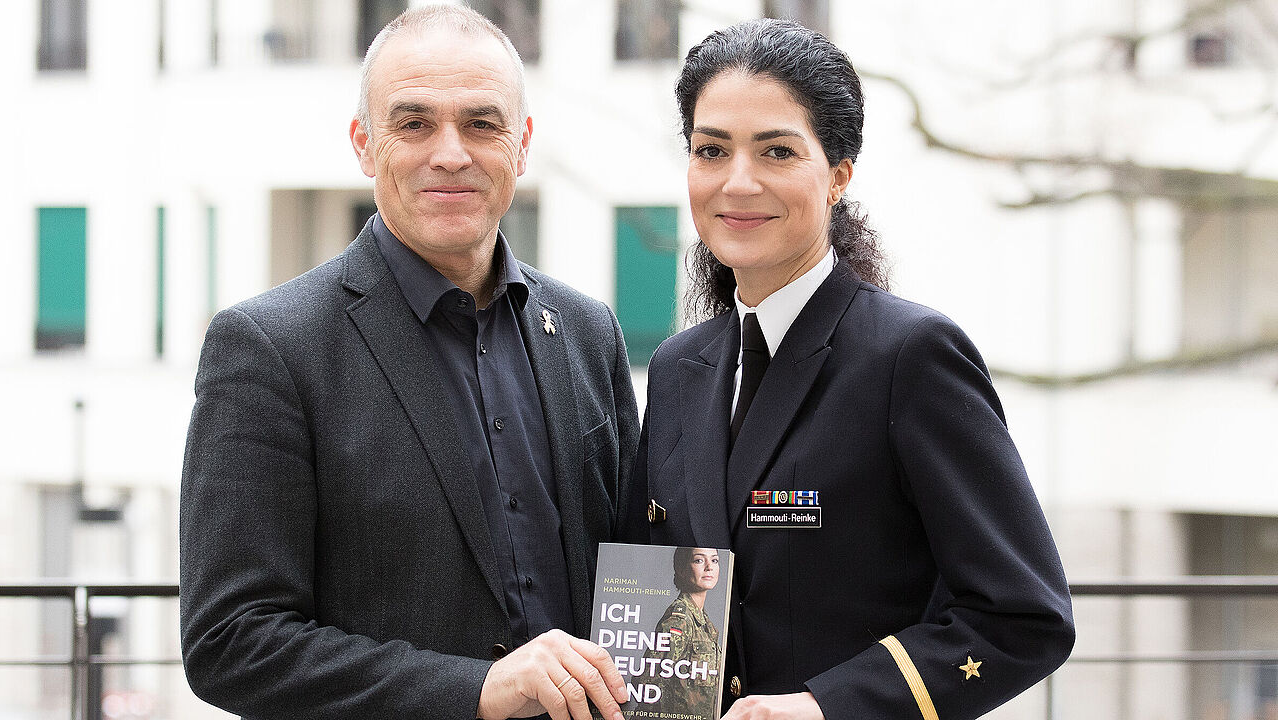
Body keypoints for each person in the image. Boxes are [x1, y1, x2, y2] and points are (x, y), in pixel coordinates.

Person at [179, 6, 639, 720]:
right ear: (365, 144)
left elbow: (636, 573)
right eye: (415, 124)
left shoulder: (587, 331)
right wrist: (476, 691)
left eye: (482, 124)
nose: (450, 154)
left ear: (522, 144)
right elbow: (231, 642)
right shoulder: (270, 347)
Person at [619, 19, 1075, 720]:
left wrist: (825, 707)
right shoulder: (680, 368)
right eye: (711, 150)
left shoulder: (911, 356)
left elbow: (1024, 616)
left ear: (837, 176)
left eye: (777, 151)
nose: (738, 181)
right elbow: (662, 606)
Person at [645, 547, 723, 719]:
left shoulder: (704, 622)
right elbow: (649, 682)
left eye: (714, 560)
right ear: (681, 568)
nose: (709, 567)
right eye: (699, 560)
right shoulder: (679, 619)